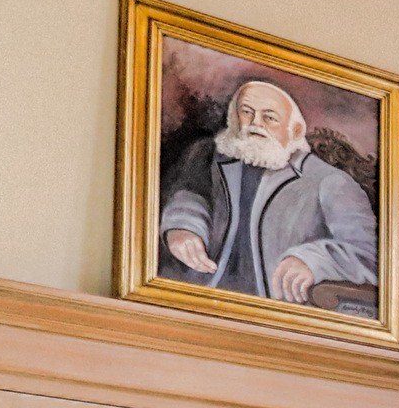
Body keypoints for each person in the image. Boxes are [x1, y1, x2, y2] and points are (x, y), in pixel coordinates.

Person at [158, 78, 379, 307]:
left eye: (269, 117)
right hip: (199, 299)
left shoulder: (330, 182)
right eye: (246, 112)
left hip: (276, 312)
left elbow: (371, 253)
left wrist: (314, 261)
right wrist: (183, 226)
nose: (255, 123)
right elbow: (191, 193)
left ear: (295, 130)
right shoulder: (210, 156)